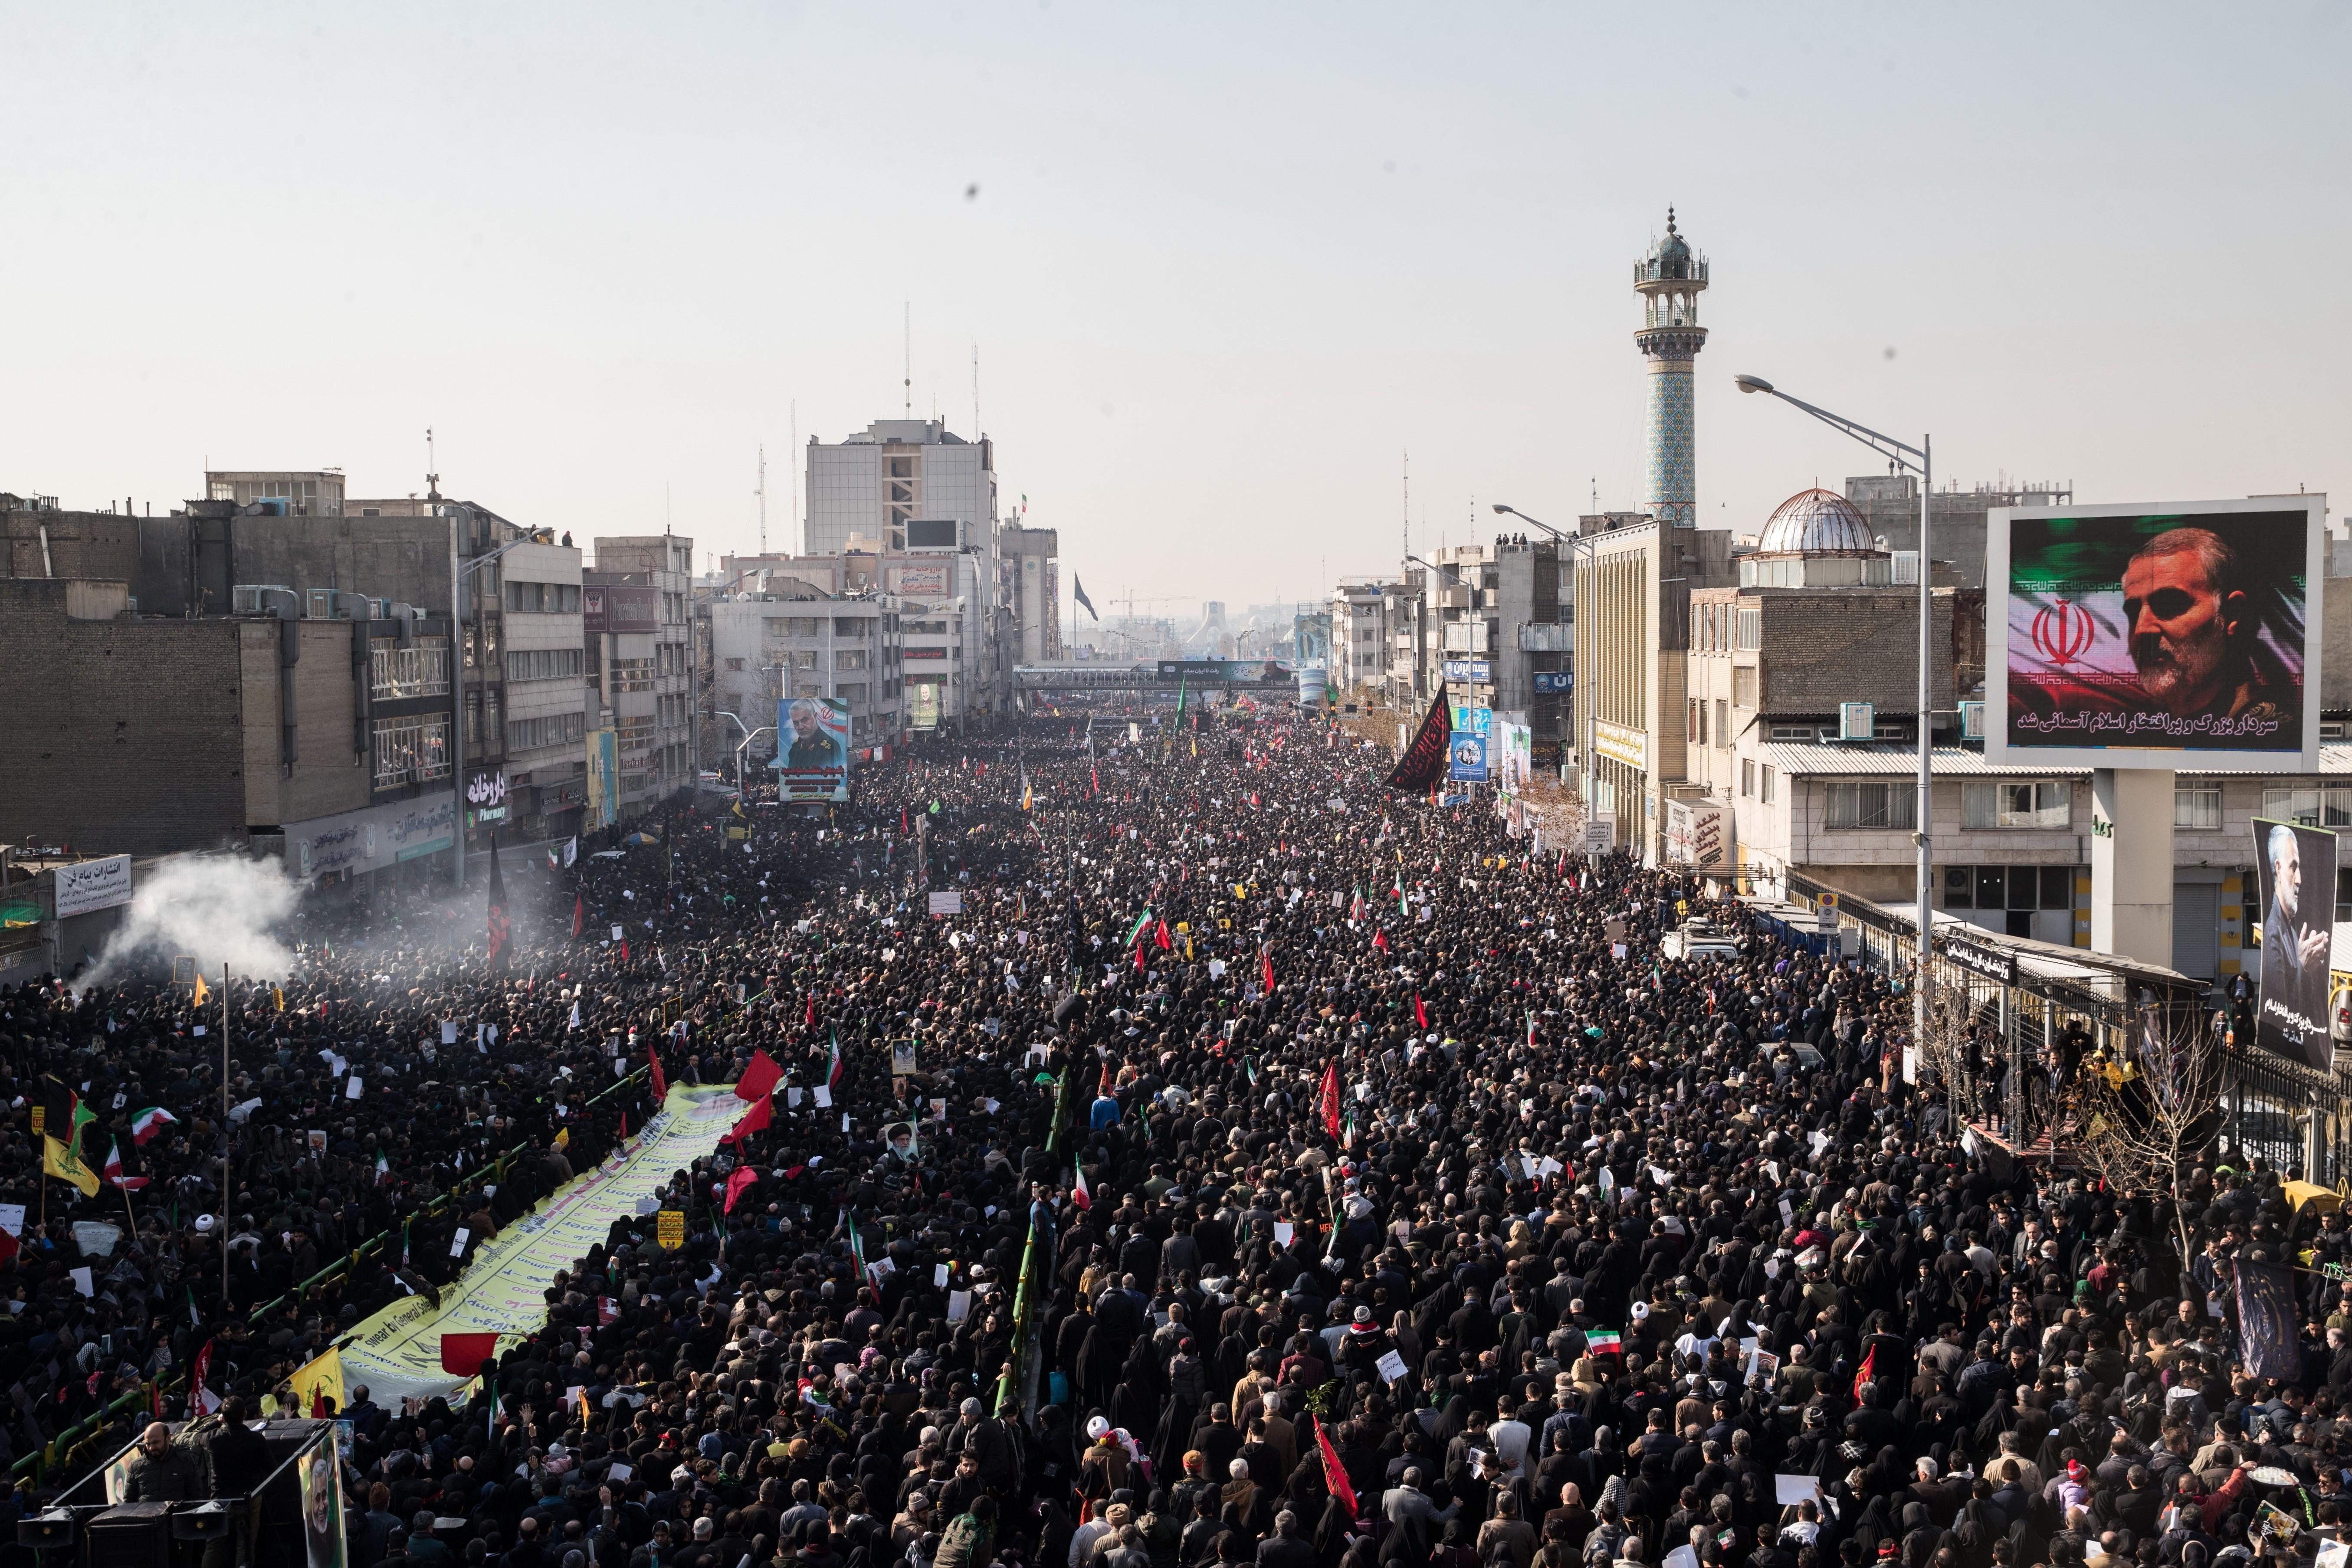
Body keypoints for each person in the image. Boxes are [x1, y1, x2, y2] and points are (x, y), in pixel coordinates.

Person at [2122, 525, 2290, 723]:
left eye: (2169, 605)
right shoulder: (2132, 726)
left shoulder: (2271, 732)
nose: (2142, 629)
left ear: (2231, 613)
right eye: (2133, 613)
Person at [2260, 822, 2332, 1060]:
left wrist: (2309, 968)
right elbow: (2281, 1008)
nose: (2299, 879)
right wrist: (2303, 966)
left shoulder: (2289, 927)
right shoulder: (2273, 931)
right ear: (2278, 869)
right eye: (2294, 867)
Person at [122, 1422, 202, 1502]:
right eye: (148, 1444)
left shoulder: (185, 1461)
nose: (151, 1448)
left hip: (176, 1513)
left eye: (156, 1443)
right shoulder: (136, 1466)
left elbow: (195, 1497)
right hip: (145, 1513)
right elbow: (129, 1502)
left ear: (168, 1439)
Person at [784, 698, 846, 773]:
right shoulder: (795, 747)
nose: (800, 727)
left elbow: (833, 777)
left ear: (816, 717)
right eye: (796, 723)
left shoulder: (830, 747)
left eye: (805, 720)